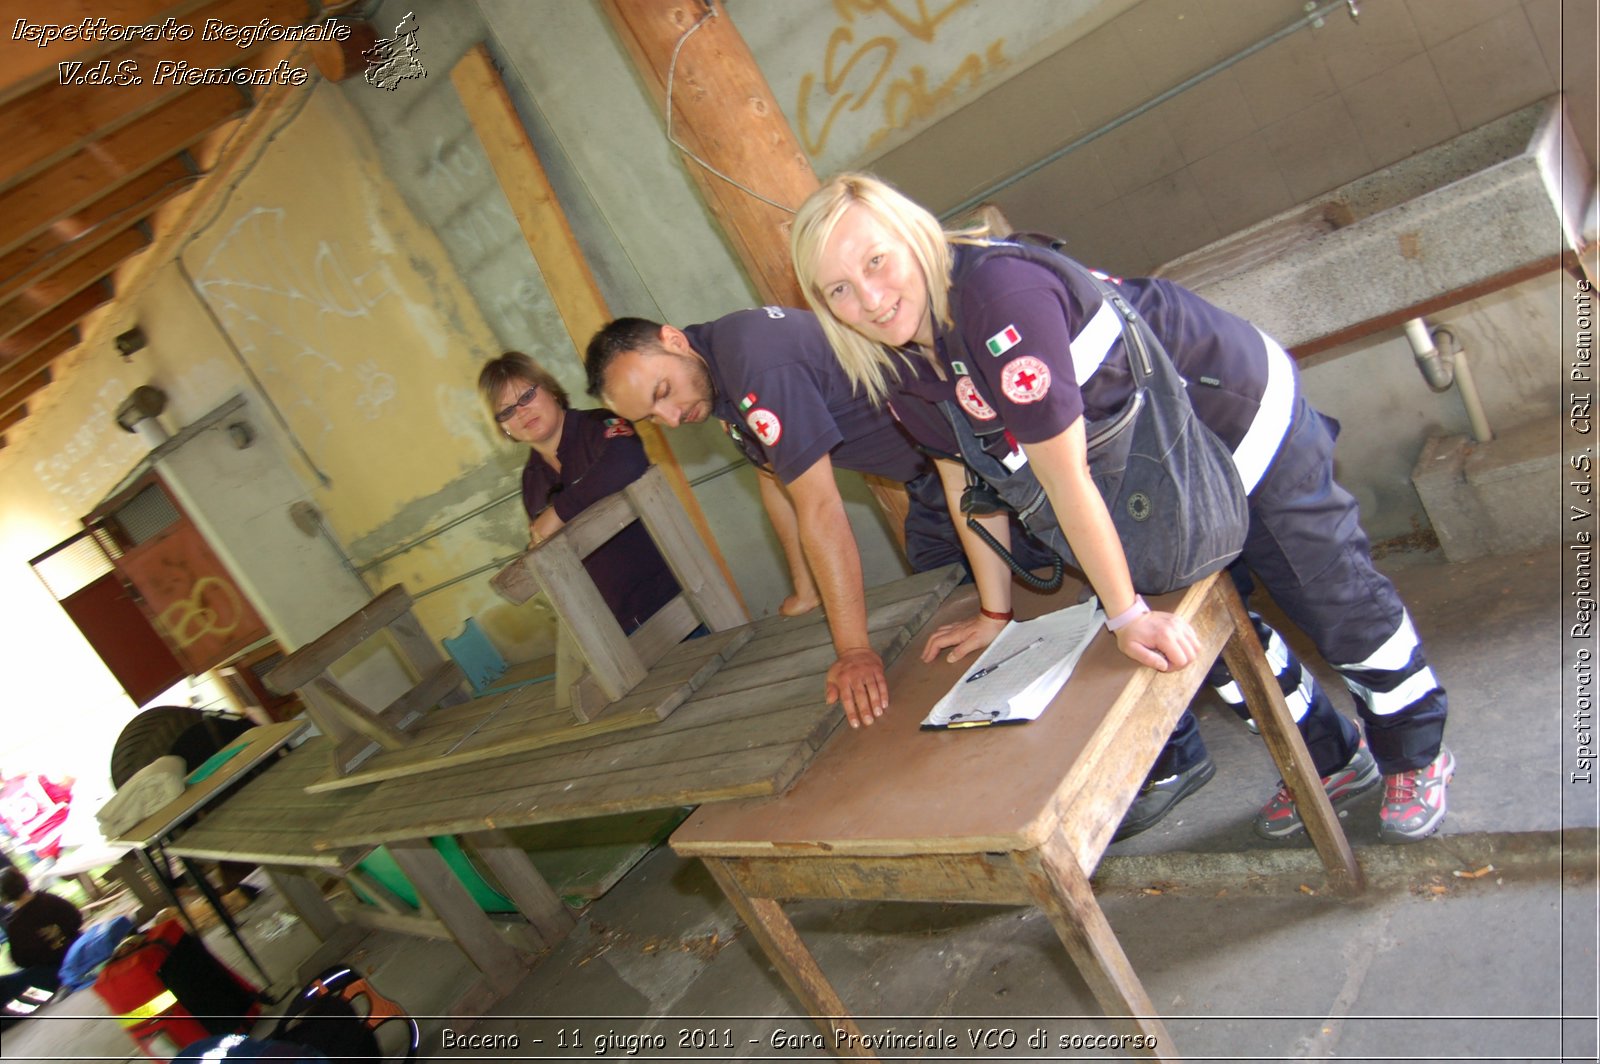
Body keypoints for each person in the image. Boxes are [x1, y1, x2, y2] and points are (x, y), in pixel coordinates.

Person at [789, 172, 1453, 844]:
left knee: (1327, 594)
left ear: (913, 236)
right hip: (1143, 479)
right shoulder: (898, 364)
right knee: (1198, 639)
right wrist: (996, 612)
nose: (869, 299)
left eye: (876, 261)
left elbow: (1063, 473)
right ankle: (1332, 759)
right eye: (839, 289)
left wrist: (1126, 612)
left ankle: (1416, 750)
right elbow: (969, 477)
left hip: (1230, 420)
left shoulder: (995, 298)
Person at [585, 310, 1053, 726]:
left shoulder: (754, 361)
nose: (670, 418)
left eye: (663, 392)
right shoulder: (715, 373)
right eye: (651, 417)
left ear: (673, 339)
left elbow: (820, 508)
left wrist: (853, 651)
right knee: (942, 586)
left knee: (1044, 585)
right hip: (929, 478)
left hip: (982, 454)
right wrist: (805, 590)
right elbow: (773, 481)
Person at [479, 352, 679, 635]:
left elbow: (627, 462)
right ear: (504, 428)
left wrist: (559, 512)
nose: (521, 412)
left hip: (675, 596)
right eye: (507, 411)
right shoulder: (531, 482)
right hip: (616, 628)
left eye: (526, 396)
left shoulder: (598, 426)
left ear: (549, 389)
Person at [0, 867, 82, 1008]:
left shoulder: (14, 925)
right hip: (80, 951)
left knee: (7, 983)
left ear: (4, 897)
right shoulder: (49, 899)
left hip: (55, 972)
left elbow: (21, 961)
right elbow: (77, 918)